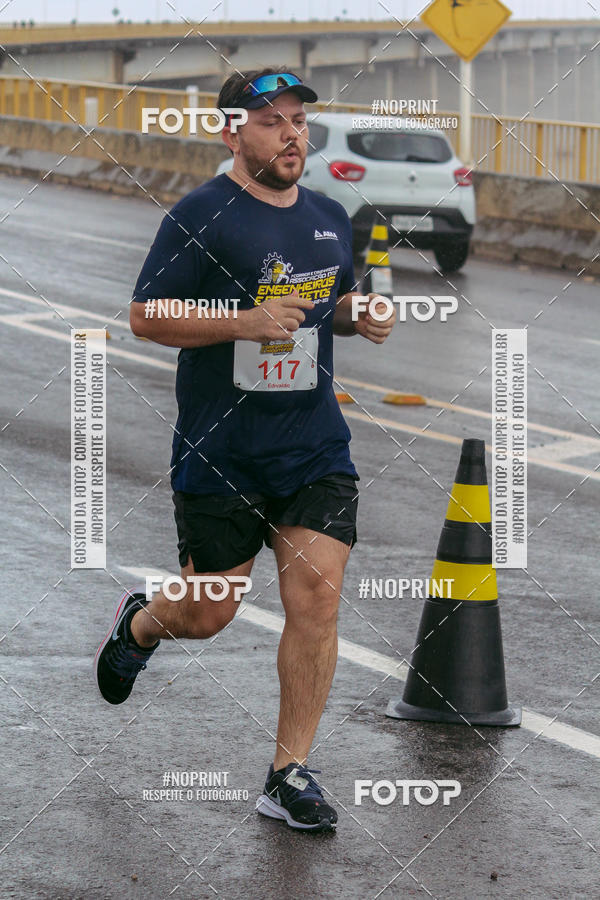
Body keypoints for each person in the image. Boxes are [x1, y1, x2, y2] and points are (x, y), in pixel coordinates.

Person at [95, 66, 396, 832]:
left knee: (317, 599)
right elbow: (145, 315)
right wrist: (242, 322)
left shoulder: (328, 216)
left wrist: (360, 314)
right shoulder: (201, 215)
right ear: (232, 132)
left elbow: (329, 305)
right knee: (208, 612)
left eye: (299, 121)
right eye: (272, 122)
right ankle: (142, 624)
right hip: (222, 451)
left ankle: (288, 773)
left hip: (312, 447)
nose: (292, 135)